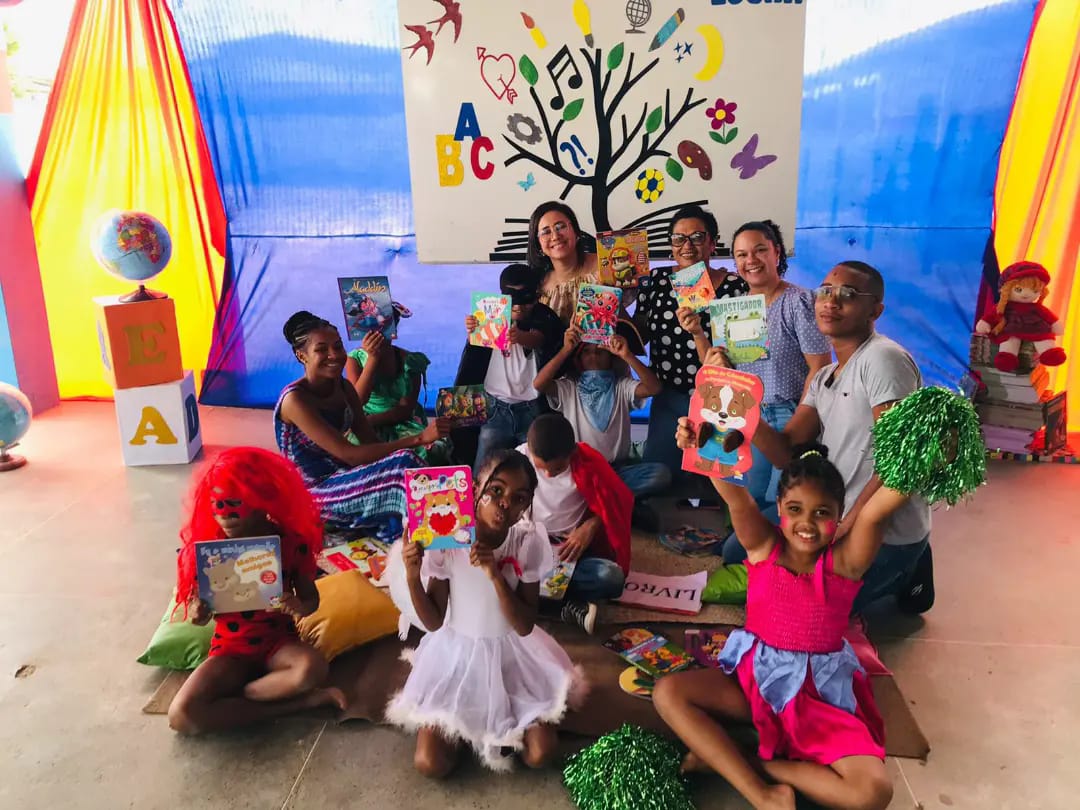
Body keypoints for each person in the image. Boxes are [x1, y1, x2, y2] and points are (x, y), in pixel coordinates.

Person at [654, 440, 902, 810]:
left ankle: (753, 764)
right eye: (795, 510)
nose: (806, 523)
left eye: (822, 513)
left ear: (839, 515)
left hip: (820, 704)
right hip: (755, 688)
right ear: (780, 511)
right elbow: (737, 499)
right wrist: (701, 445)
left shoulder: (844, 564)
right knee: (667, 692)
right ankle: (763, 793)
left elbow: (876, 514)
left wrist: (922, 454)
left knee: (874, 792)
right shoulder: (762, 547)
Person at [732, 262, 934, 614]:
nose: (831, 302)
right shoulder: (825, 374)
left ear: (876, 310)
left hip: (881, 530)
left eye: (848, 295)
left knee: (801, 609)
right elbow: (785, 453)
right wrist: (738, 407)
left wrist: (848, 525)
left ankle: (908, 570)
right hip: (832, 515)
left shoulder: (882, 359)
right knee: (736, 553)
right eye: (825, 291)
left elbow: (899, 459)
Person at [386, 449, 586, 776]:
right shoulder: (448, 538)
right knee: (429, 763)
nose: (505, 503)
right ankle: (473, 727)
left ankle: (491, 726)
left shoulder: (525, 541)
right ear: (475, 486)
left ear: (527, 504)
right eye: (496, 490)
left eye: (518, 497)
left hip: (511, 654)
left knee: (541, 753)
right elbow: (434, 622)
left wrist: (495, 575)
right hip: (457, 655)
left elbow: (523, 626)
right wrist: (412, 576)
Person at [168, 448, 345, 735]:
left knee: (312, 669)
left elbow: (311, 600)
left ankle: (235, 704)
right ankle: (295, 705)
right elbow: (199, 616)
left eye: (234, 504)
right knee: (182, 715)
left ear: (259, 500)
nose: (226, 517)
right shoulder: (208, 549)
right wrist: (199, 613)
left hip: (278, 644)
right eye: (217, 505)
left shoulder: (290, 543)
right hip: (230, 649)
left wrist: (299, 605)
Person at [681, 220, 831, 519]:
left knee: (783, 503)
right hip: (746, 414)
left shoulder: (799, 301)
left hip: (791, 412)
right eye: (741, 254)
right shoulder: (734, 308)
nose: (751, 260)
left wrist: (804, 417)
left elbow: (820, 367)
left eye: (760, 250)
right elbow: (717, 367)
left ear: (777, 252)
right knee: (750, 498)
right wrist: (699, 334)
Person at [275, 311, 450, 539]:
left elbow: (369, 441)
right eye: (321, 349)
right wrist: (418, 439)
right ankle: (440, 537)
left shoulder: (345, 388)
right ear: (302, 356)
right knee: (401, 468)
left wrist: (413, 455)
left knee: (407, 464)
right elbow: (351, 454)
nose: (334, 355)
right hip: (315, 492)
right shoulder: (295, 399)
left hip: (347, 475)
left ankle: (443, 523)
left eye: (338, 346)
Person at [635, 204, 748, 483]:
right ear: (671, 245)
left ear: (712, 243)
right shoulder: (655, 281)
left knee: (719, 479)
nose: (687, 245)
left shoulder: (735, 287)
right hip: (667, 396)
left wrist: (698, 330)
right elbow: (640, 336)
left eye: (697, 237)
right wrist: (615, 305)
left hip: (720, 400)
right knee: (662, 474)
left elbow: (738, 356)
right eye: (678, 238)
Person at [533, 322, 671, 524]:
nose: (594, 357)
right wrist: (566, 349)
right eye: (587, 352)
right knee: (560, 485)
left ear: (610, 358)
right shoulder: (570, 387)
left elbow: (654, 388)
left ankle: (608, 504)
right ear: (579, 360)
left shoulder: (621, 386)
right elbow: (539, 384)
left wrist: (627, 355)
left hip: (615, 471)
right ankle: (620, 505)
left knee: (660, 475)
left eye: (600, 351)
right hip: (581, 471)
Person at [519, 413, 634, 634]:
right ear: (529, 450)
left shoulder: (587, 461)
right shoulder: (516, 462)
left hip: (568, 551)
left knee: (612, 577)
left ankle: (532, 602)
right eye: (541, 468)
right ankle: (564, 608)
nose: (549, 475)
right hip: (525, 549)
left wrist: (591, 526)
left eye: (557, 469)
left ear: (572, 453)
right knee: (490, 573)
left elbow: (614, 503)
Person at [457, 263, 564, 470]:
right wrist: (472, 331)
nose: (519, 306)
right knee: (484, 468)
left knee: (537, 470)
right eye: (512, 298)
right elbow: (474, 356)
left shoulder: (545, 317)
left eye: (526, 299)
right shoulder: (490, 314)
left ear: (536, 295)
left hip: (533, 407)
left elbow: (542, 338)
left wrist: (522, 337)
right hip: (495, 406)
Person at [344, 303, 451, 465]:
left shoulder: (411, 361)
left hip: (402, 422)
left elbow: (404, 409)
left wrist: (371, 422)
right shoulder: (354, 359)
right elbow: (357, 402)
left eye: (385, 326)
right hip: (364, 420)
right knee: (357, 452)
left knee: (432, 449)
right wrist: (372, 359)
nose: (378, 333)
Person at [527, 201, 600, 324]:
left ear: (575, 231)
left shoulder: (604, 265)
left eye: (560, 227)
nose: (555, 236)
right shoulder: (538, 288)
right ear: (538, 243)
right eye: (546, 232)